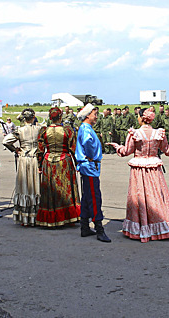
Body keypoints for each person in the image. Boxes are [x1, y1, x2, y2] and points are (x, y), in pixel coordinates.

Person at [108, 108, 169, 243]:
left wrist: (116, 146)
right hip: (154, 168)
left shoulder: (135, 133)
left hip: (139, 169)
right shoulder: (159, 133)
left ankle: (142, 226)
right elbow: (167, 151)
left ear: (141, 118)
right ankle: (161, 226)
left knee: (140, 197)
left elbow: (126, 151)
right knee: (157, 195)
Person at [36, 107, 80, 227]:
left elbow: (40, 150)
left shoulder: (44, 130)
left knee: (49, 190)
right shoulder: (67, 130)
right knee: (65, 190)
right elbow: (73, 148)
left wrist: (40, 164)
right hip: (64, 161)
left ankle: (50, 219)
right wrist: (77, 164)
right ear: (60, 116)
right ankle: (68, 217)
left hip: (48, 161)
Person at [75, 104, 111, 242]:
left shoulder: (87, 128)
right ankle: (99, 228)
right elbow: (88, 143)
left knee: (87, 196)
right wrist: (91, 155)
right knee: (95, 197)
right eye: (95, 114)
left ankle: (84, 226)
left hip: (89, 166)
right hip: (89, 166)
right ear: (88, 115)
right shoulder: (86, 129)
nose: (96, 117)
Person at [2, 109, 41, 226]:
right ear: (33, 117)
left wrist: (15, 149)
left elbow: (6, 141)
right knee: (35, 186)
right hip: (34, 158)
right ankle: (36, 215)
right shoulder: (39, 130)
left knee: (24, 186)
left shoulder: (19, 130)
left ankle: (24, 217)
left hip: (23, 159)